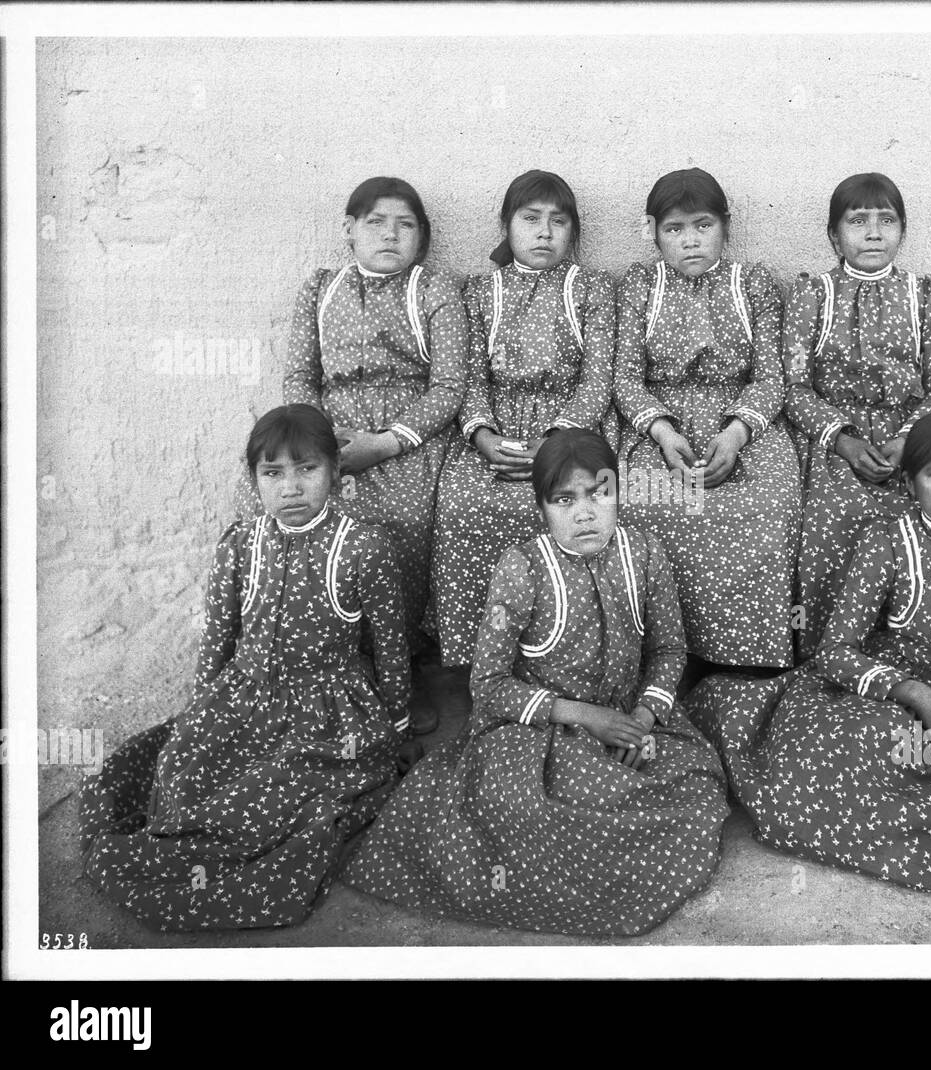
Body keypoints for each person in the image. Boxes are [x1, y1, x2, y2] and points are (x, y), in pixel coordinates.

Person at [344, 429, 730, 936]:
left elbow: (667, 650)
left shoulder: (646, 554)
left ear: (619, 494)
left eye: (599, 493)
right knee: (529, 809)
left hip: (628, 719)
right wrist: (587, 717)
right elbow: (489, 685)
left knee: (696, 790)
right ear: (542, 509)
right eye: (565, 500)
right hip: (538, 732)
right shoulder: (523, 569)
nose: (585, 513)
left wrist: (641, 719)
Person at [686, 410, 931, 891]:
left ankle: (929, 804)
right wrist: (913, 693)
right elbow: (836, 650)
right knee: (829, 752)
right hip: (896, 707)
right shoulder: (887, 540)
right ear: (912, 481)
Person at [81, 405, 419, 931]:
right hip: (243, 695)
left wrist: (396, 729)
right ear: (254, 478)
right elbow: (217, 638)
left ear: (335, 471)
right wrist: (201, 715)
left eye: (307, 469)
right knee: (180, 766)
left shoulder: (362, 547)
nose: (290, 488)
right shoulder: (241, 543)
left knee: (269, 800)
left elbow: (392, 647)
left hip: (324, 712)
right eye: (273, 473)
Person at [239, 176, 467, 665]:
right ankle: (308, 657)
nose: (390, 235)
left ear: (422, 236)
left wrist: (383, 444)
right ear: (349, 228)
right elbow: (301, 375)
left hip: (408, 437)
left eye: (405, 225)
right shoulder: (321, 288)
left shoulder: (433, 289)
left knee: (404, 519)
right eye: (376, 223)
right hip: (325, 432)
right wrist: (319, 444)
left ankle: (398, 664)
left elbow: (449, 388)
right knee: (268, 504)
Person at [614, 167, 799, 674]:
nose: (690, 241)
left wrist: (737, 434)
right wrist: (662, 430)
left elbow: (771, 379)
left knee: (768, 505)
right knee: (642, 500)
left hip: (742, 427)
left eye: (703, 226)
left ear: (726, 226)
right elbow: (626, 378)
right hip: (660, 427)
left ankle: (745, 661)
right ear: (653, 231)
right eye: (674, 230)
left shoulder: (753, 284)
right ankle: (668, 657)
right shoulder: (639, 285)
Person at [431, 170, 614, 670]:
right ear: (505, 225)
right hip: (495, 430)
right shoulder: (479, 292)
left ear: (573, 233)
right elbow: (469, 378)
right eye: (530, 219)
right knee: (461, 504)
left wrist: (552, 443)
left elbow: (597, 379)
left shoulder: (590, 289)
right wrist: (485, 436)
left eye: (558, 222)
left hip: (568, 433)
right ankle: (480, 664)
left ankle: (565, 653)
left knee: (574, 502)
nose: (544, 232)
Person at [785, 172, 931, 660]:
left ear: (903, 231)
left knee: (919, 525)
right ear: (833, 234)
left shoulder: (922, 295)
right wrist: (841, 439)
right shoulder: (812, 295)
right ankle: (830, 658)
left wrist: (909, 441)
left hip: (912, 440)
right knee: (833, 520)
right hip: (834, 444)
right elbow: (794, 387)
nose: (873, 232)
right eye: (857, 220)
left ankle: (906, 658)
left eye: (887, 220)